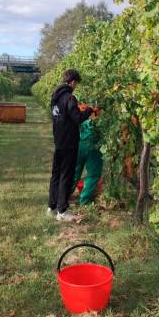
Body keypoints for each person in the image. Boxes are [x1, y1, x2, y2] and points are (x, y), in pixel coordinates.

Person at [48, 69, 93, 222]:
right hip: (69, 142)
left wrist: (77, 109)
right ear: (73, 82)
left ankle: (52, 206)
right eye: (76, 83)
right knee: (66, 175)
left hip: (59, 141)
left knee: (56, 174)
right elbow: (77, 118)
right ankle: (62, 211)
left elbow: (64, 115)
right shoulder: (70, 97)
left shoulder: (55, 97)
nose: (76, 86)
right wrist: (89, 110)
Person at [73, 113, 103, 205]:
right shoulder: (101, 118)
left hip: (79, 145)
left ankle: (64, 195)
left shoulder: (82, 114)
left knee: (74, 171)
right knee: (93, 174)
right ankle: (85, 200)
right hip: (93, 147)